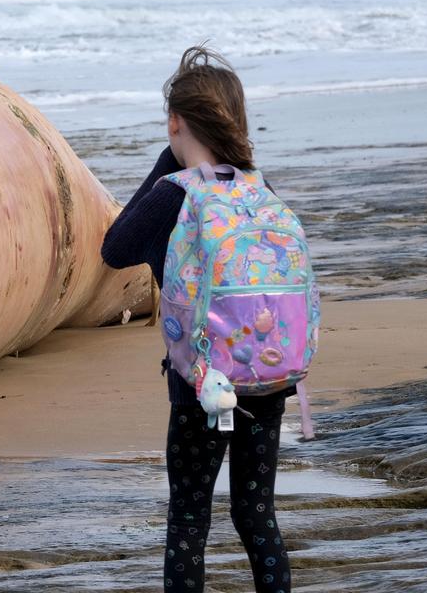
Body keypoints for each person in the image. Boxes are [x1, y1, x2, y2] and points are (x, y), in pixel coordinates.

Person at [101, 45, 293, 593]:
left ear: (175, 121)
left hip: (201, 386)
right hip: (269, 373)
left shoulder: (173, 190)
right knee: (257, 517)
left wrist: (170, 161)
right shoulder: (257, 187)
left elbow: (116, 249)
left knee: (189, 519)